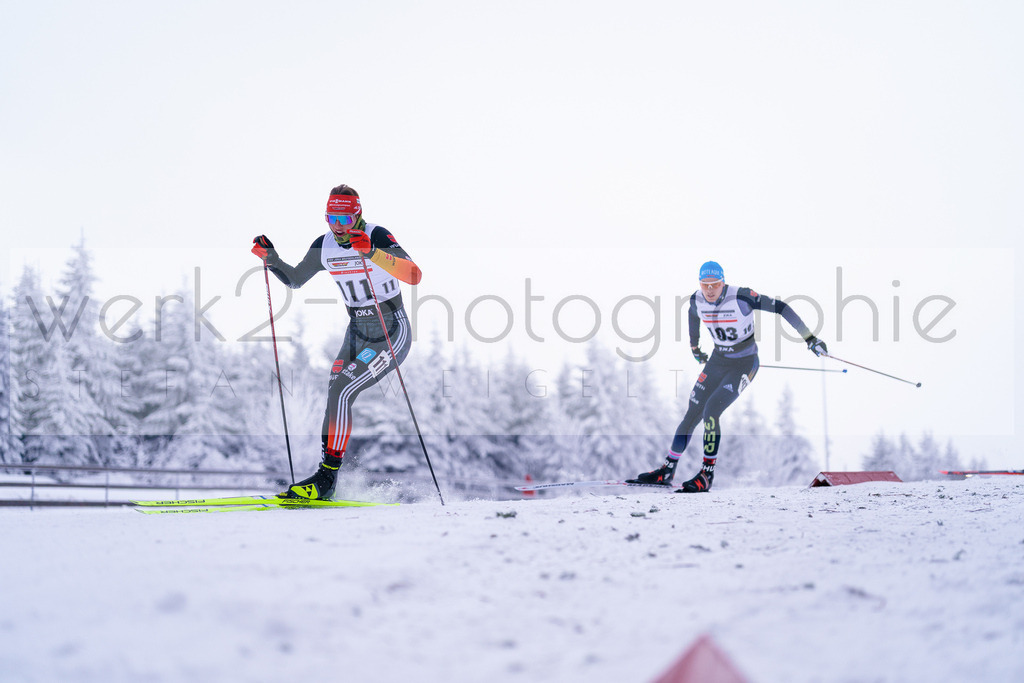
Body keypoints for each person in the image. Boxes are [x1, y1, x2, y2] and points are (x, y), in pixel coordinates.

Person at [251, 184, 422, 500]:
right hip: (356, 331)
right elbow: (296, 279)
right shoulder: (325, 245)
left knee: (343, 388)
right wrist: (272, 259)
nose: (338, 227)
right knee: (335, 391)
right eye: (331, 218)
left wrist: (372, 251)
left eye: (344, 219)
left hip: (391, 332)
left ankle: (326, 479)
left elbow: (413, 275)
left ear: (358, 215)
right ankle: (326, 478)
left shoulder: (378, 235)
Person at [629, 261, 827, 492]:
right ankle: (668, 470)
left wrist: (810, 338)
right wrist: (695, 349)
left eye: (715, 284)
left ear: (723, 282)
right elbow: (693, 319)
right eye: (705, 285)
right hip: (717, 361)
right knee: (692, 411)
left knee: (711, 410)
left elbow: (781, 307)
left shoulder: (742, 297)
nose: (710, 289)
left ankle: (707, 474)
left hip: (744, 364)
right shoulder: (696, 300)